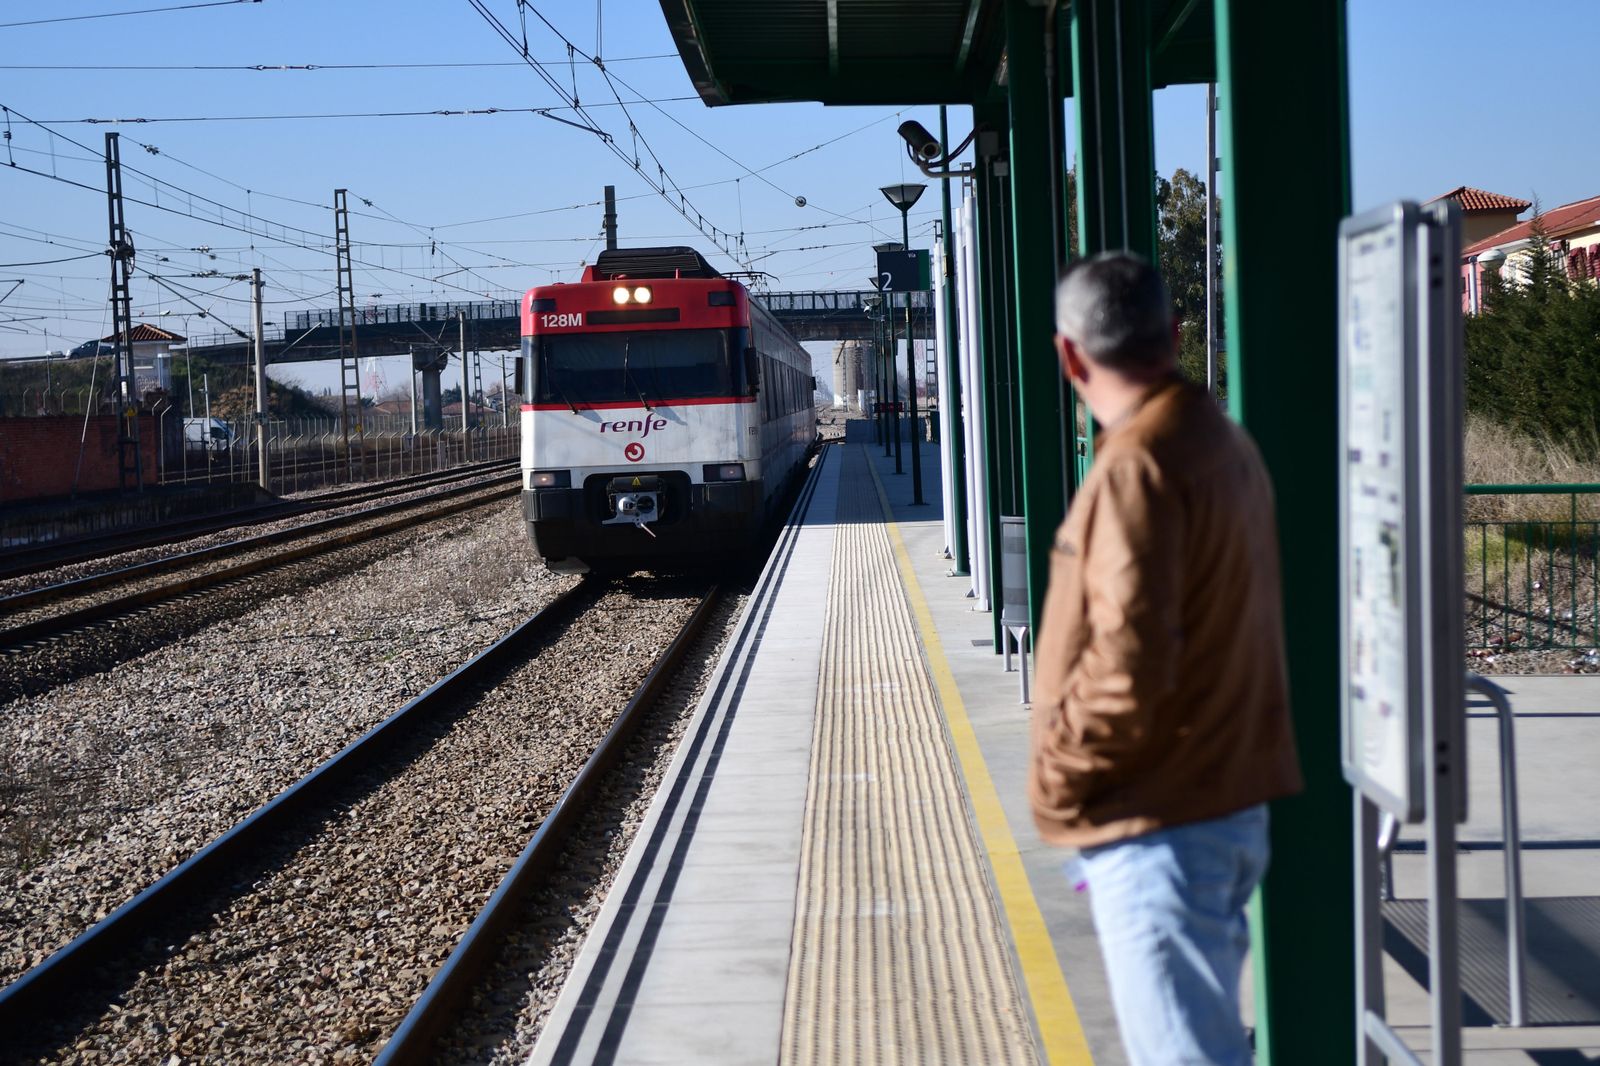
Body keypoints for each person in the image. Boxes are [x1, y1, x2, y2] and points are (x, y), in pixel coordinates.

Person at [1027, 252, 1303, 1066]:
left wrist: (1060, 773)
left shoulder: (1135, 466)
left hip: (1160, 818)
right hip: (1219, 800)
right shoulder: (1218, 437)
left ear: (1069, 355)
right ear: (1174, 336)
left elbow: (1128, 662)